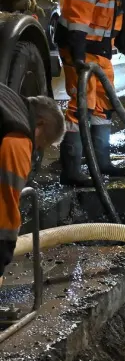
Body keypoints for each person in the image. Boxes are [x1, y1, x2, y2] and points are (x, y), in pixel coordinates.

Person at [55, 0, 125, 186]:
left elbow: (120, 19)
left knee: (102, 108)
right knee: (81, 107)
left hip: (100, 52)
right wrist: (78, 58)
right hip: (82, 50)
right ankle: (71, 171)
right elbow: (77, 20)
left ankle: (102, 164)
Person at [0, 86, 65, 322]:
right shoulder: (18, 138)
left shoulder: (9, 99)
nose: (36, 150)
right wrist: (5, 246)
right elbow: (6, 199)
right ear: (39, 124)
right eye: (40, 144)